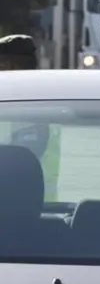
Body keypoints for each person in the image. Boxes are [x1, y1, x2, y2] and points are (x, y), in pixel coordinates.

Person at [0, 34, 61, 202]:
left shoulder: (33, 112)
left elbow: (17, 165)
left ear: (9, 65)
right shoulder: (46, 104)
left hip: (28, 211)